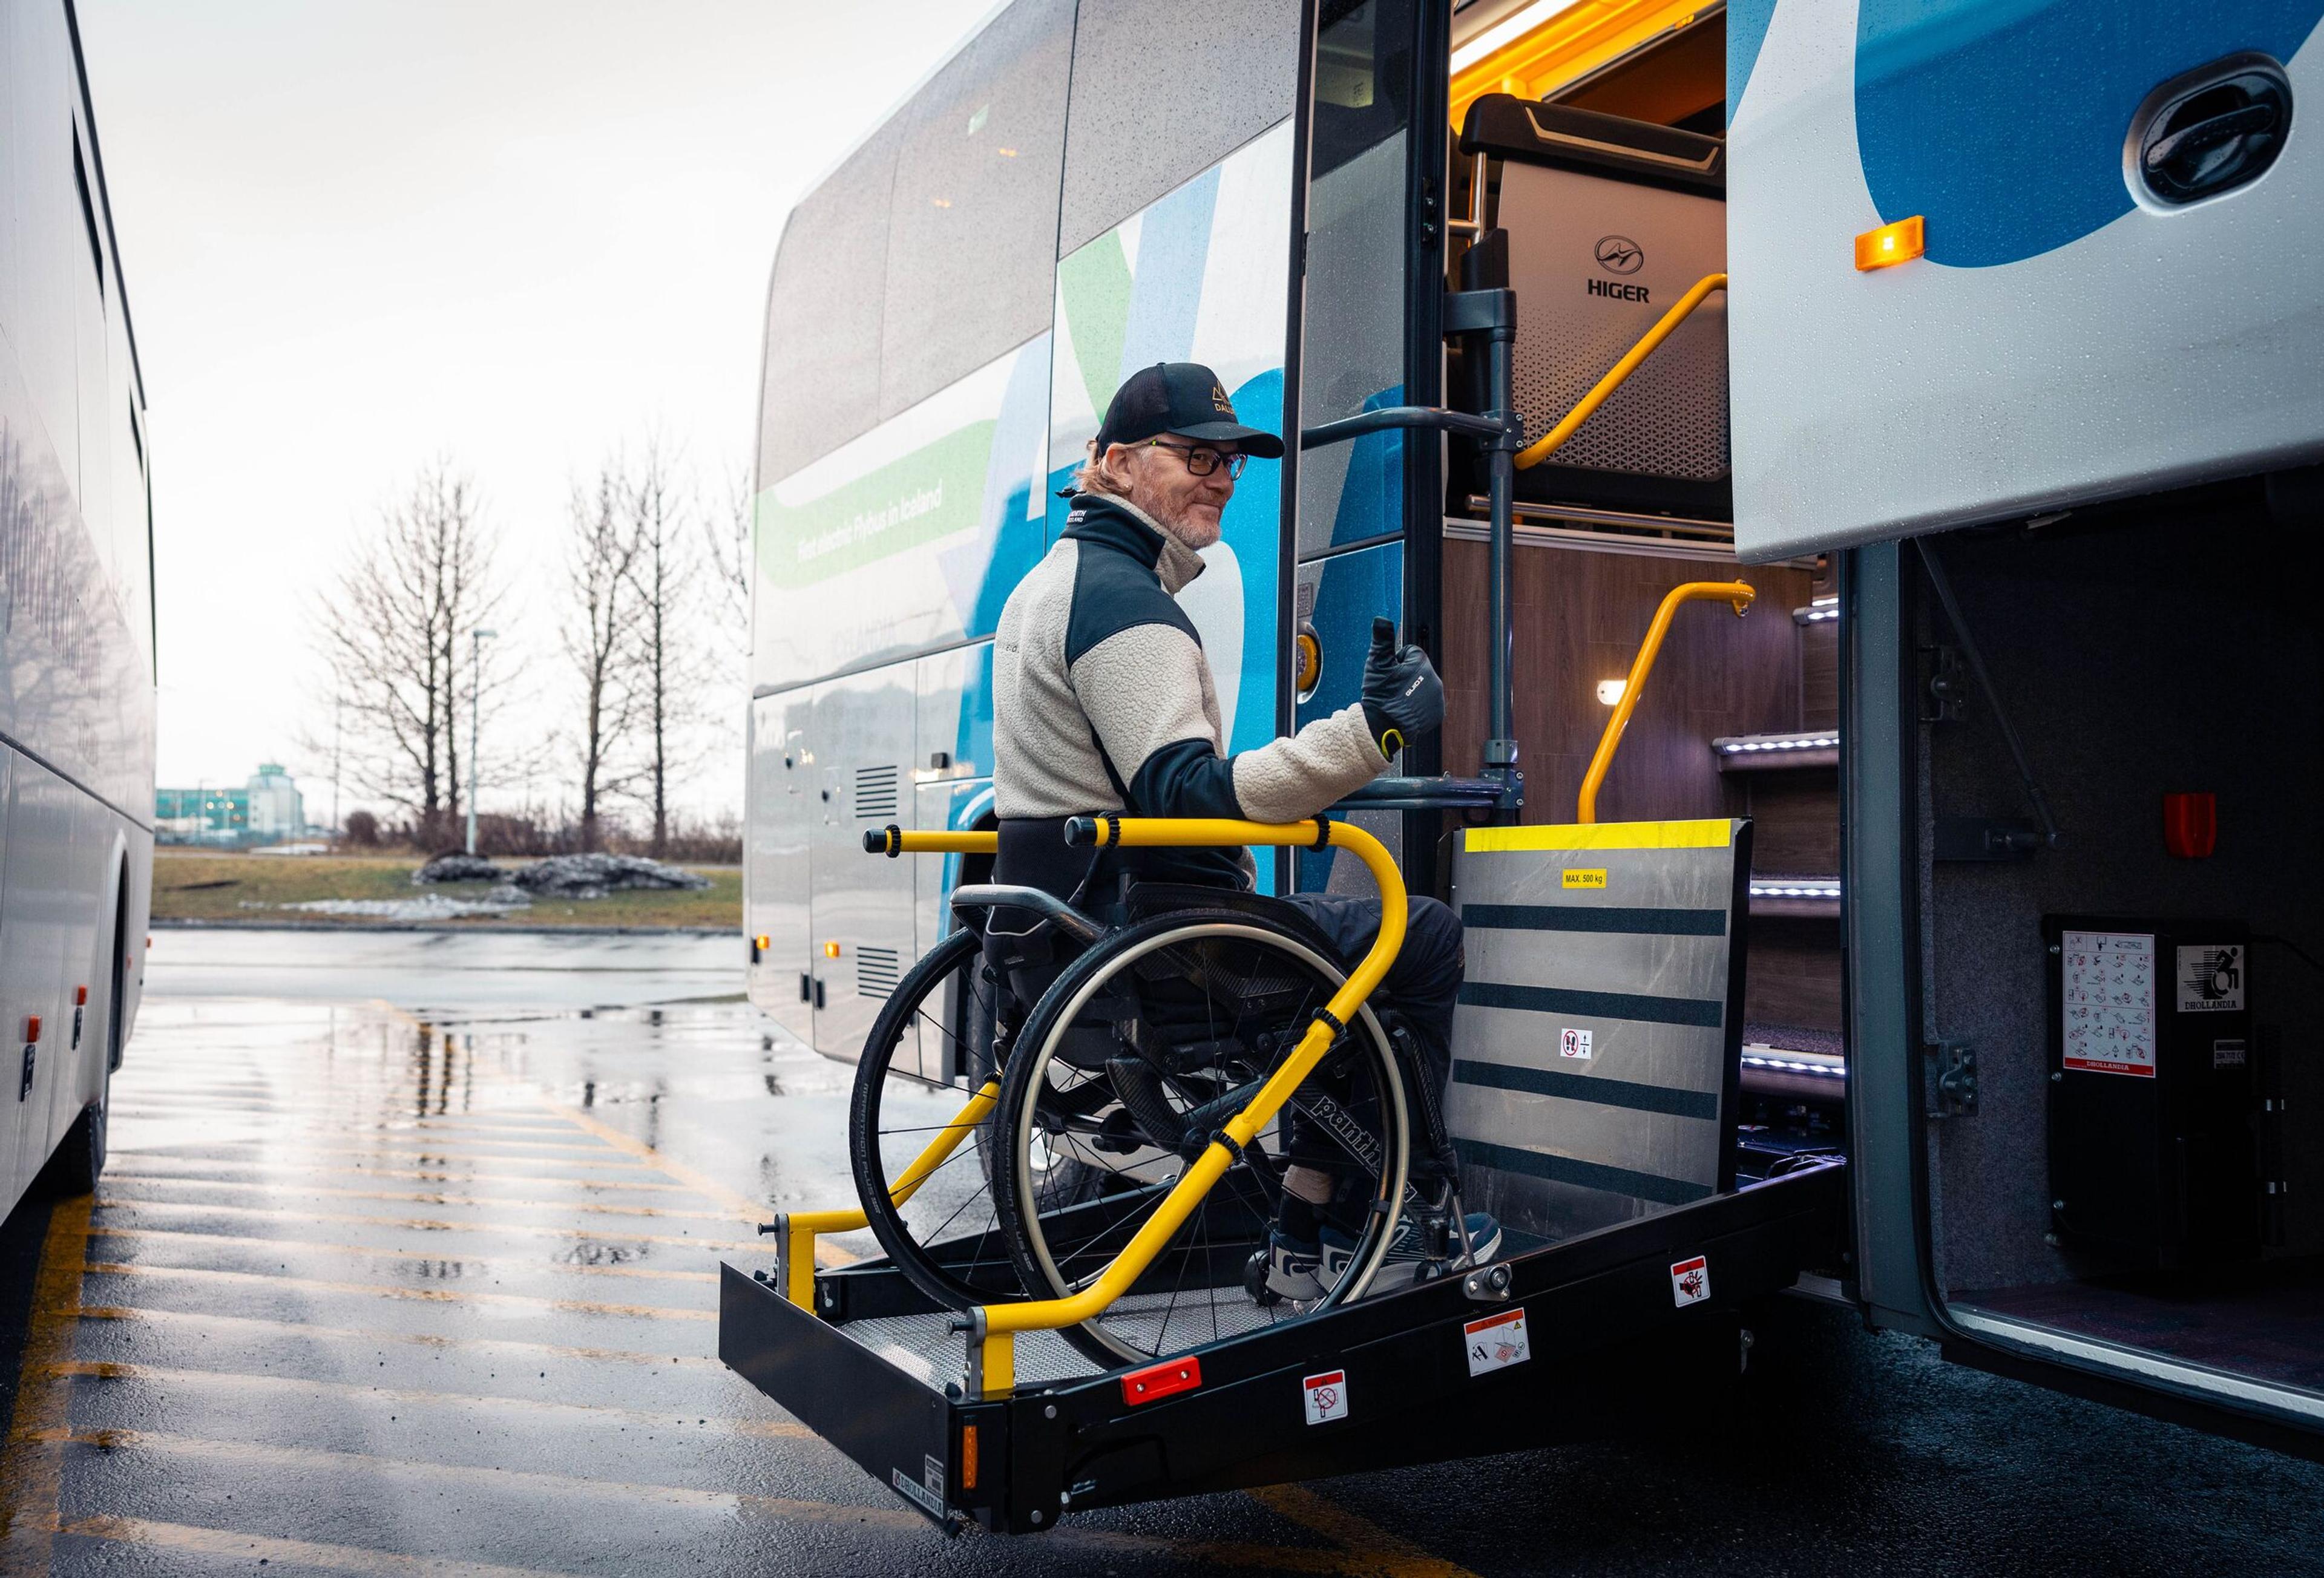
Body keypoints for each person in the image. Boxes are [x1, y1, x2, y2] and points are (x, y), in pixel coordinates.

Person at [991, 360, 1498, 1296]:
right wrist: (1369, 735)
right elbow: (1187, 792)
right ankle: (1390, 1213)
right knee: (1417, 934)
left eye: (1232, 460)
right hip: (1165, 945)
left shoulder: (1053, 584)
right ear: (1114, 462)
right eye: (1196, 456)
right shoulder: (1121, 601)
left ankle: (1310, 1232)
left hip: (1077, 934)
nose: (1222, 478)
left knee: (1332, 972)